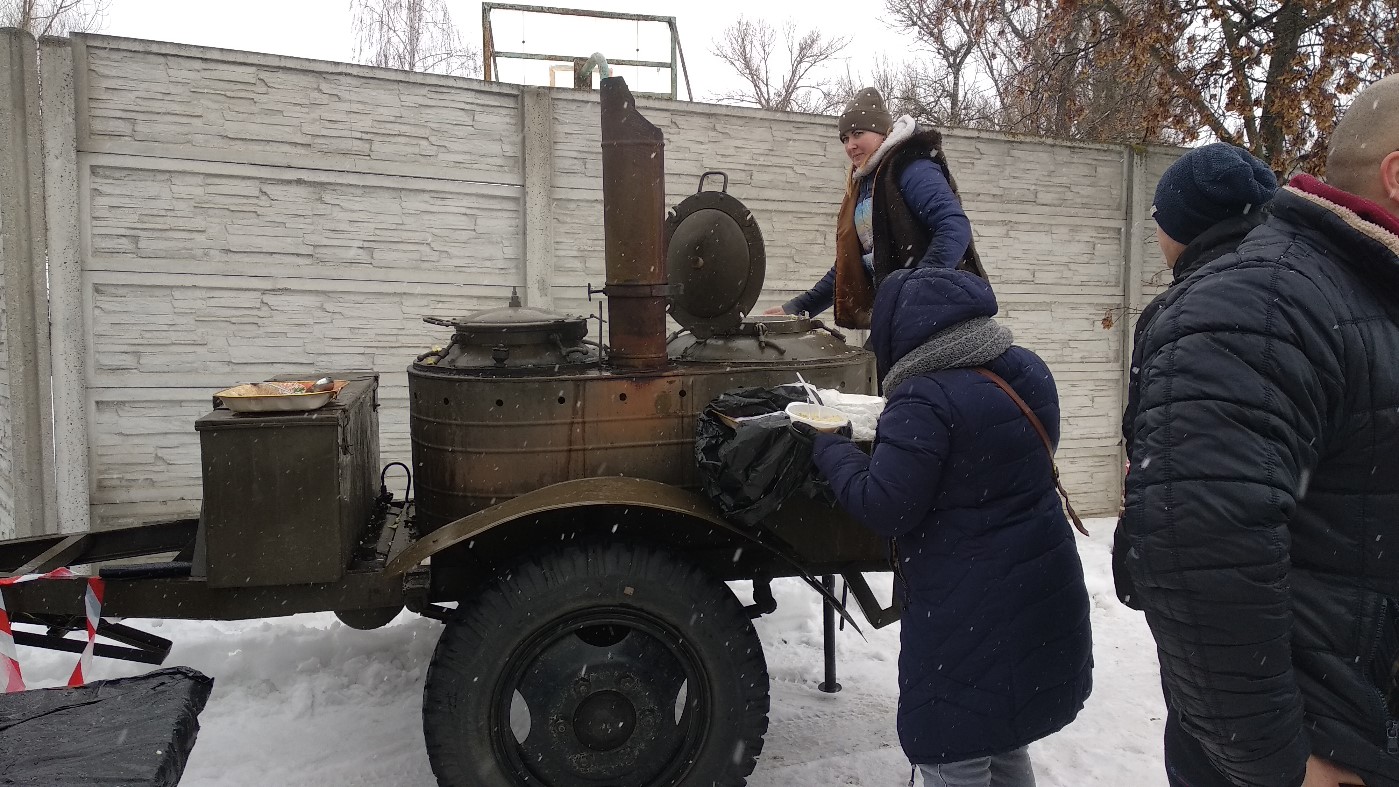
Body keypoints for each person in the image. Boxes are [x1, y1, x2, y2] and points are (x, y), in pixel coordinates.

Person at [1119, 74, 1399, 787]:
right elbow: (1195, 549)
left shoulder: (1365, 294)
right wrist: (1280, 765)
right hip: (1319, 756)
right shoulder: (1259, 304)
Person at [808, 265, 1093, 786]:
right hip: (1035, 585)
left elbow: (884, 505)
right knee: (1001, 737)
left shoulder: (923, 399)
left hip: (967, 606)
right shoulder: (1027, 369)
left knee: (952, 748)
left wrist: (830, 442)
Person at [1111, 142, 1278, 605]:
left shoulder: (1188, 315)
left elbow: (1185, 474)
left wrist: (1139, 558)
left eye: (1158, 216)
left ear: (1182, 226)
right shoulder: (1302, 289)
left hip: (1217, 594)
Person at [763, 88, 981, 328]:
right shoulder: (865, 184)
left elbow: (953, 226)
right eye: (845, 138)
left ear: (882, 132)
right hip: (899, 316)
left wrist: (917, 290)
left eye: (858, 133)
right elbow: (852, 265)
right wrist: (797, 308)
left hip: (942, 311)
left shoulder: (910, 167)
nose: (850, 145)